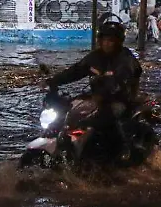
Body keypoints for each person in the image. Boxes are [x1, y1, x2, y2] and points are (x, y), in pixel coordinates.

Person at [43, 22, 143, 159]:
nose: (107, 44)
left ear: (118, 42)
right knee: (70, 111)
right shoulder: (95, 57)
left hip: (119, 99)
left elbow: (121, 80)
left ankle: (123, 151)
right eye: (104, 40)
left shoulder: (125, 60)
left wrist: (108, 91)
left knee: (103, 117)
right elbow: (75, 71)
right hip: (96, 97)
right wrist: (52, 81)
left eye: (111, 40)